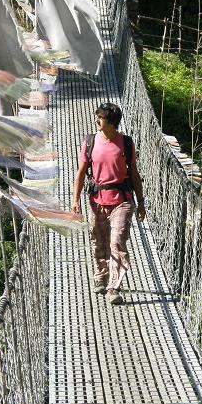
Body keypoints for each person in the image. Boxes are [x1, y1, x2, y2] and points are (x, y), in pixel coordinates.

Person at [72, 103, 145, 304]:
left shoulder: (126, 144)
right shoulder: (89, 142)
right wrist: (75, 200)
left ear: (111, 122)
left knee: (117, 242)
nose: (97, 121)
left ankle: (114, 287)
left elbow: (134, 175)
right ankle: (101, 276)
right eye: (97, 117)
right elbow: (80, 173)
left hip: (122, 201)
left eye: (101, 118)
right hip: (96, 200)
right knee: (98, 240)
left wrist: (141, 202)